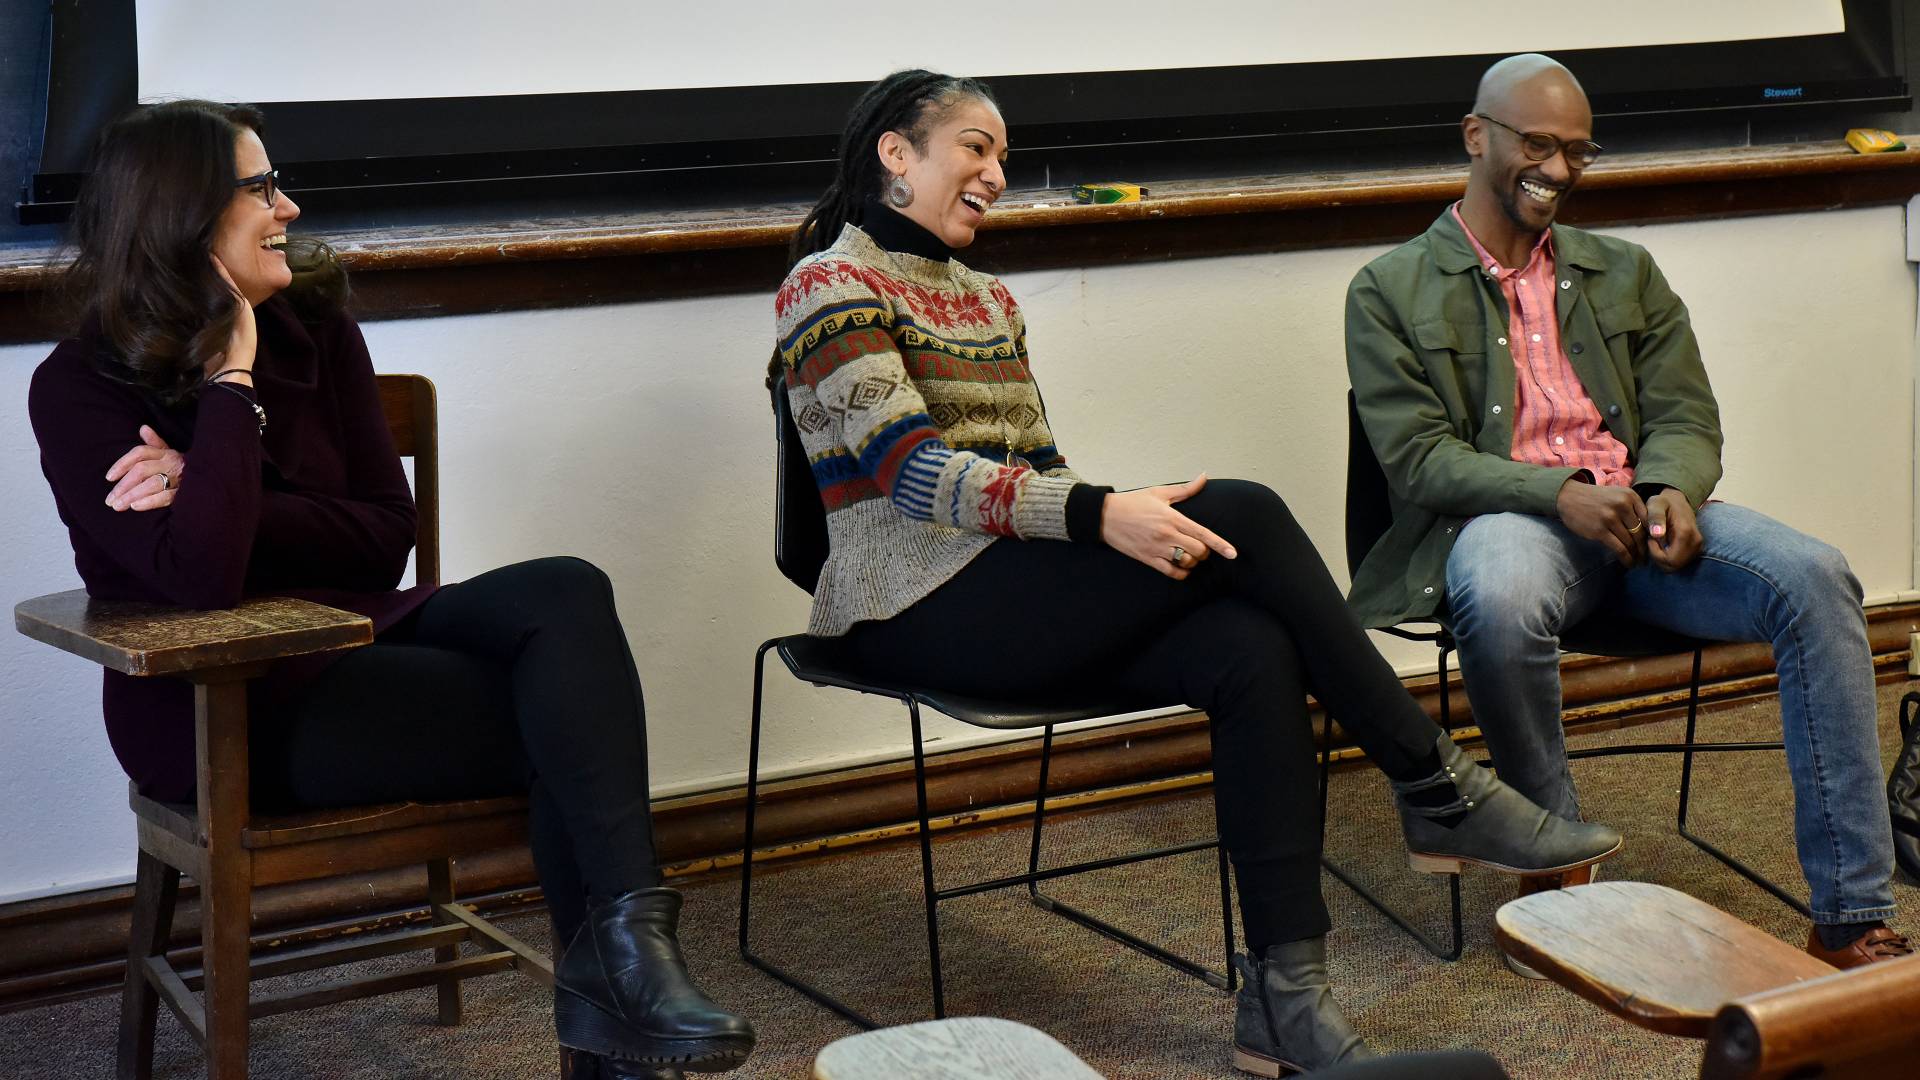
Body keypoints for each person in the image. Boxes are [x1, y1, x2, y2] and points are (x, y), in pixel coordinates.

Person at [773, 69, 1622, 1075]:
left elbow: (1038, 473)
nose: (996, 173)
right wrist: (1104, 515)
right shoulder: (828, 285)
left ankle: (1287, 1002)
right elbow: (912, 477)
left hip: (1007, 588)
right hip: (902, 606)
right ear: (896, 153)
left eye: (1002, 155)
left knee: (1247, 647)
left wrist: (1114, 517)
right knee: (1241, 509)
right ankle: (1435, 780)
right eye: (975, 147)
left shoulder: (987, 299)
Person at [27, 101, 754, 1080]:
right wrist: (232, 381)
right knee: (566, 719)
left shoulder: (316, 326)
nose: (287, 207)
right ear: (185, 212)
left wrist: (210, 482)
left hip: (352, 631)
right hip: (216, 702)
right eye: (261, 188)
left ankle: (634, 964)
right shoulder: (79, 385)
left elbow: (381, 538)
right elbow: (199, 580)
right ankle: (620, 1011)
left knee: (567, 592)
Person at [1344, 53, 1909, 971]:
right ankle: (1557, 884)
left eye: (1578, 151)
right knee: (1498, 587)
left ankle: (1850, 917)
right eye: (1538, 144)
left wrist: (1668, 488)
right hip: (1515, 525)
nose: (1558, 170)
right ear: (1476, 137)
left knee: (1817, 576)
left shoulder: (1625, 271)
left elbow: (1685, 413)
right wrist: (1556, 494)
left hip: (1639, 521)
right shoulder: (1388, 289)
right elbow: (1419, 459)